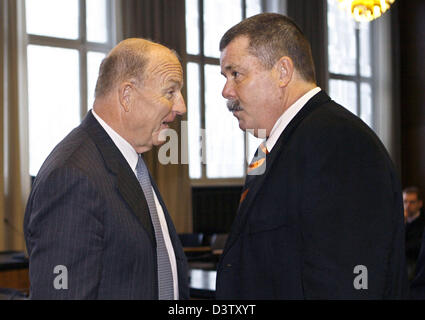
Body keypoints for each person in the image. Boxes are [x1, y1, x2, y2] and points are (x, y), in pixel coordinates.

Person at [215, 13, 408, 299]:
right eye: (225, 77)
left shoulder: (340, 142)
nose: (226, 91)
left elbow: (353, 280)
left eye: (236, 74)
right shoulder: (277, 147)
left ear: (282, 72)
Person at [23, 38, 189, 299]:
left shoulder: (127, 161)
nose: (181, 107)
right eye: (170, 92)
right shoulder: (73, 176)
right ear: (127, 96)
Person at [403, 187, 425, 281]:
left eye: (412, 202)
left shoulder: (422, 222)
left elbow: (416, 247)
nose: (407, 206)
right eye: (405, 201)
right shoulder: (398, 221)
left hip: (415, 261)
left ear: (420, 204)